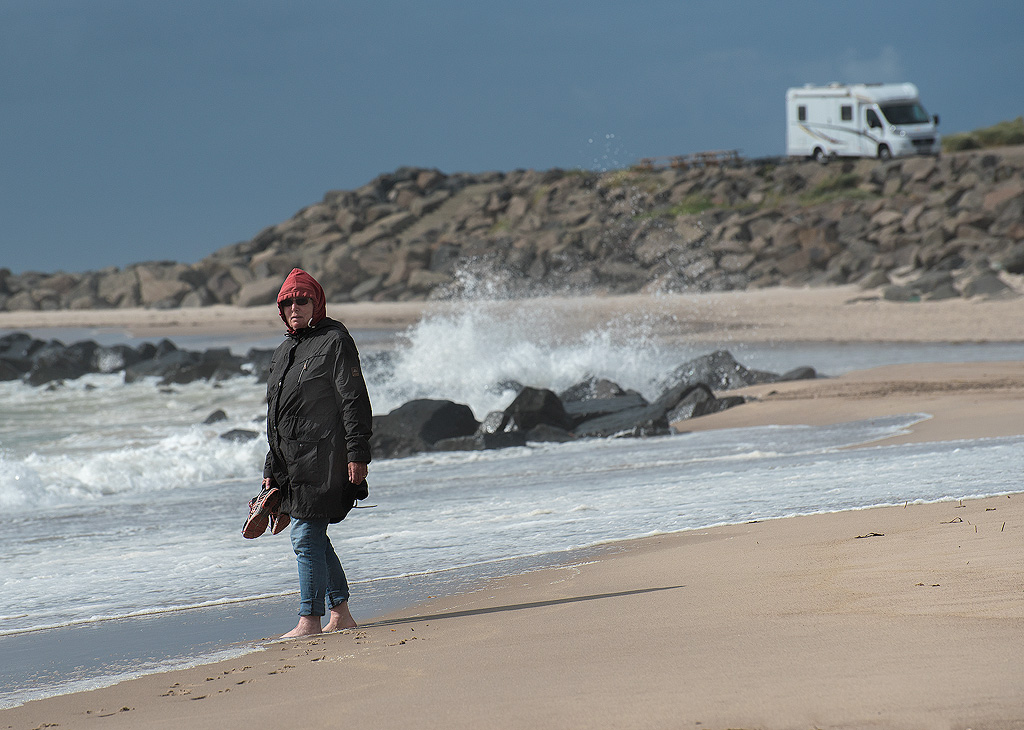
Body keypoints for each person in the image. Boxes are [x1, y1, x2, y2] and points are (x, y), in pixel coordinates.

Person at [262, 268, 373, 637]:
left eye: (302, 300)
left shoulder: (335, 340)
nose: (295, 307)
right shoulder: (283, 352)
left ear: (316, 303)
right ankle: (341, 612)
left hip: (326, 458)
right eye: (288, 302)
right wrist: (271, 468)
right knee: (314, 535)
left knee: (305, 536)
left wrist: (357, 454)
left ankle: (309, 621)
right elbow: (276, 415)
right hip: (292, 464)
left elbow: (354, 399)